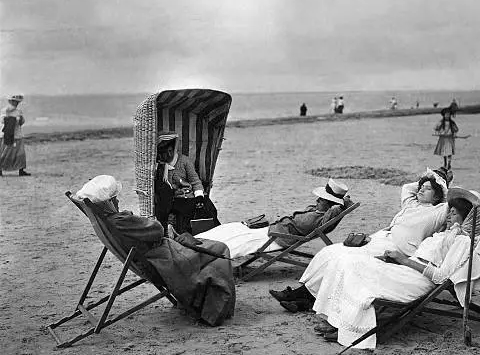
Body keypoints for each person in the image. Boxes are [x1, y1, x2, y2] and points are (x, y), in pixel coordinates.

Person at [272, 188, 480, 349]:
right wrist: (397, 259)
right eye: (450, 211)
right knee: (350, 261)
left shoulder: (462, 241)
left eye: (454, 213)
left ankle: (351, 330)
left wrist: (402, 260)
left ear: (465, 218)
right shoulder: (446, 234)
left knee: (355, 267)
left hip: (418, 278)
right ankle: (342, 325)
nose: (449, 215)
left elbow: (441, 276)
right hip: (409, 269)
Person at [270, 167, 451, 310]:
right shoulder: (411, 203)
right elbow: (407, 188)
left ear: (437, 195)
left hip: (397, 248)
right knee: (330, 252)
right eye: (421, 187)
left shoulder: (438, 212)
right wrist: (428, 177)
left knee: (343, 259)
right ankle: (303, 296)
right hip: (380, 239)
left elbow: (455, 201)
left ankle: (302, 298)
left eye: (427, 190)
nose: (420, 190)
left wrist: (441, 182)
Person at [75, 175, 236, 326]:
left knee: (204, 244)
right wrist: (142, 220)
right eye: (113, 199)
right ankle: (213, 311)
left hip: (152, 256)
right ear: (105, 203)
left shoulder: (108, 220)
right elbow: (158, 230)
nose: (116, 200)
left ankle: (205, 303)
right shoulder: (120, 220)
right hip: (162, 259)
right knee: (220, 249)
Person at [194, 179, 352, 258]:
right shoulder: (318, 212)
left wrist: (341, 207)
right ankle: (197, 241)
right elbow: (336, 210)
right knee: (231, 228)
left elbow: (334, 213)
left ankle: (200, 249)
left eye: (321, 200)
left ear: (330, 204)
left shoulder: (322, 218)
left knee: (236, 239)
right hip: (273, 231)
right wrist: (342, 206)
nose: (317, 200)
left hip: (277, 237)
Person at [154, 131, 219, 235]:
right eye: (165, 152)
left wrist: (199, 196)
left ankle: (213, 232)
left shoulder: (184, 161)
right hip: (175, 200)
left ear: (174, 149)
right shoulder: (159, 167)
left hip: (190, 195)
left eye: (170, 151)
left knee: (208, 206)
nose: (169, 154)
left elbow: (195, 181)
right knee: (182, 212)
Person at [0, 95, 31, 176]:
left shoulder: (19, 111)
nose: (16, 103)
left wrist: (20, 119)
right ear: (10, 102)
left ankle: (21, 170)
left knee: (20, 153)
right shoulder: (5, 111)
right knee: (5, 152)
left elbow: (21, 122)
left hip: (17, 134)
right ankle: (0, 170)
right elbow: (2, 121)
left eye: (17, 102)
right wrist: (13, 119)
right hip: (7, 134)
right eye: (14, 101)